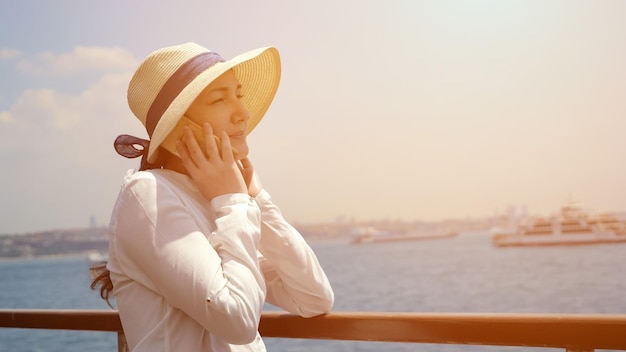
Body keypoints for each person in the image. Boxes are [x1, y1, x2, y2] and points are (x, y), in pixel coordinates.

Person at [90, 42, 334, 351]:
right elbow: (238, 322)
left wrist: (255, 198)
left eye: (239, 96)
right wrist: (233, 201)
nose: (243, 113)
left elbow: (313, 298)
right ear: (179, 125)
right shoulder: (149, 193)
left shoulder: (213, 201)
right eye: (220, 99)